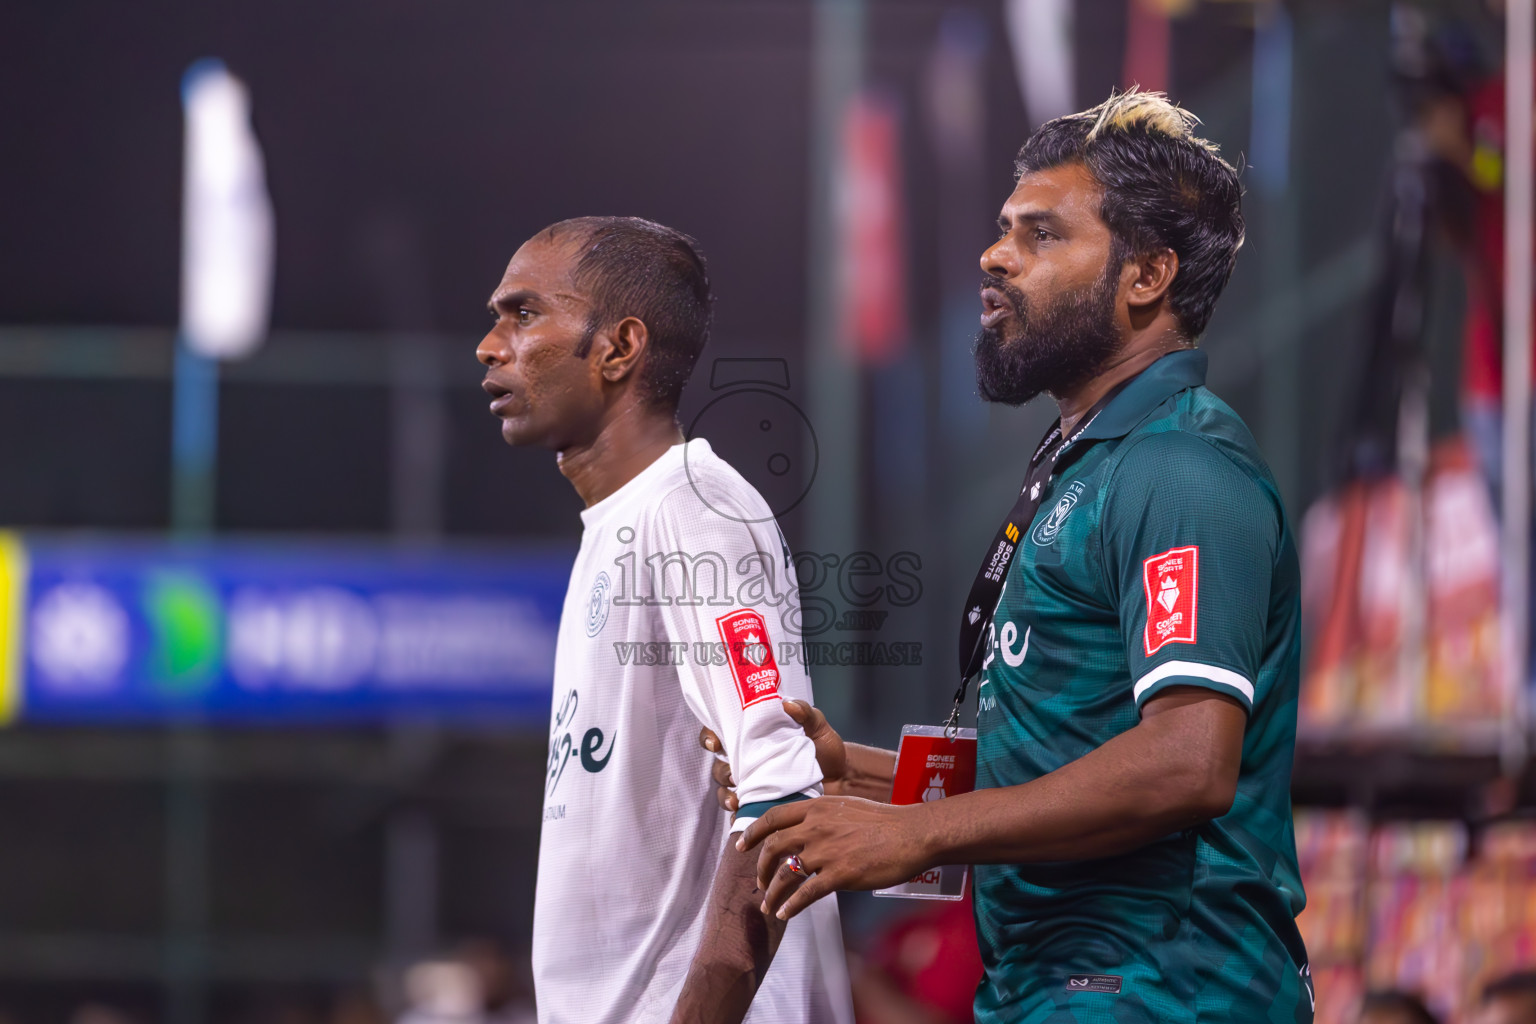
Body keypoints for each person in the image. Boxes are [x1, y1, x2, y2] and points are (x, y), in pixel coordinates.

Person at [721, 89, 1312, 1022]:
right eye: (1003, 230)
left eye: (1042, 235)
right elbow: (1065, 760)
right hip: (1061, 989)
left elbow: (1186, 764)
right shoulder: (1092, 461)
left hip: (1163, 991)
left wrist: (915, 833)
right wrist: (861, 778)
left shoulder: (1183, 470)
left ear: (1147, 274)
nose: (996, 257)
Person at [476, 216, 852, 1024]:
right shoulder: (624, 520)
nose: (490, 344)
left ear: (619, 348)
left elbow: (783, 795)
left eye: (524, 314)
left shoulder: (696, 513)